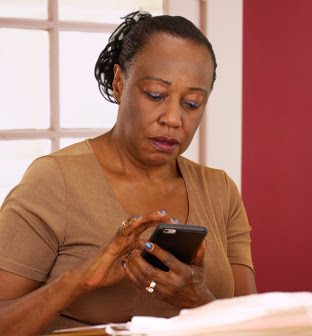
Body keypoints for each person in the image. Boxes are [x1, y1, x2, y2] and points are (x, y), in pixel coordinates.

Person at [0, 11, 256, 335]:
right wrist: (78, 282)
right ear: (120, 83)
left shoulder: (220, 190)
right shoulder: (54, 181)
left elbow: (256, 326)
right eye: (155, 95)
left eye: (191, 103)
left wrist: (198, 299)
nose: (173, 119)